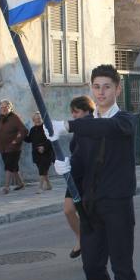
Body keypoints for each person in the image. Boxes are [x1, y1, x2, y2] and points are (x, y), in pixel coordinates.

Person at [50, 65, 140, 280]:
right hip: (91, 206)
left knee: (122, 269)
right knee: (91, 267)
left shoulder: (125, 121)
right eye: (96, 87)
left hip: (117, 205)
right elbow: (81, 161)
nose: (101, 92)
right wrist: (66, 168)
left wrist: (68, 125)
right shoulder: (87, 125)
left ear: (117, 89)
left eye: (106, 87)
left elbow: (106, 129)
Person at [62, 96, 95, 259]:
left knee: (87, 213)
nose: (74, 115)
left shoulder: (94, 126)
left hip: (89, 178)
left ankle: (93, 244)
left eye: (77, 112)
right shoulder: (78, 129)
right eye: (72, 112)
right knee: (68, 210)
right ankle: (81, 238)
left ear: (87, 111)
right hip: (75, 176)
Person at [0, 100, 28, 194]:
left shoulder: (15, 117)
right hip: (3, 147)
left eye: (5, 107)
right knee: (13, 166)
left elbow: (24, 130)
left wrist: (16, 141)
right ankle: (21, 184)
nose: (3, 109)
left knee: (9, 166)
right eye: (2, 107)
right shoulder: (0, 118)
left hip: (13, 148)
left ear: (10, 107)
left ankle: (6, 187)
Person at [24, 111, 55, 190]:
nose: (38, 120)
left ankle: (40, 187)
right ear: (33, 120)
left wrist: (43, 147)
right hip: (36, 153)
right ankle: (49, 185)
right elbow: (29, 139)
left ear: (42, 119)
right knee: (43, 170)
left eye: (39, 118)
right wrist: (23, 135)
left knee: (42, 169)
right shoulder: (33, 129)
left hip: (46, 153)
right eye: (36, 119)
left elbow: (50, 139)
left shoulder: (46, 128)